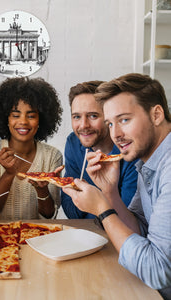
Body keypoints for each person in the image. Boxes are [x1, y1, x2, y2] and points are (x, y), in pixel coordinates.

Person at [63, 73, 171, 299]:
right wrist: (110, 192)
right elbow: (140, 230)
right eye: (111, 123)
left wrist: (103, 209)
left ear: (157, 114)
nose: (116, 134)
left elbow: (157, 271)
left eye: (124, 120)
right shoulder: (147, 159)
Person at [0, 77, 63, 220]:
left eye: (31, 115)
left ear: (41, 120)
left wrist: (42, 190)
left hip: (37, 237)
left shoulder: (52, 155)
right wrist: (9, 174)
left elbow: (50, 216)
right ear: (5, 118)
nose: (23, 122)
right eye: (15, 115)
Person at [61, 80, 138, 219]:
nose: (83, 125)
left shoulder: (130, 151)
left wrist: (89, 199)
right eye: (77, 117)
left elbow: (128, 219)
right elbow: (71, 212)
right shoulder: (73, 142)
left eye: (93, 116)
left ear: (109, 117)